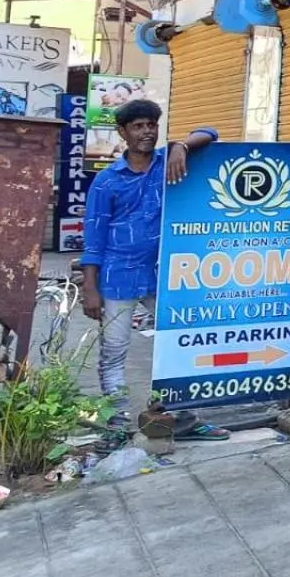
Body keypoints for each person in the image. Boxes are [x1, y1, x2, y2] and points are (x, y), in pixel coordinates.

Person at [79, 99, 227, 439]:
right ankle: (117, 423)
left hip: (164, 274)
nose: (146, 132)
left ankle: (181, 420)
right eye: (138, 126)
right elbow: (93, 237)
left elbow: (210, 132)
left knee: (179, 344)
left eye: (151, 125)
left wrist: (180, 146)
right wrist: (90, 287)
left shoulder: (167, 163)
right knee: (114, 352)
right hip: (117, 277)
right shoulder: (107, 182)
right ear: (122, 132)